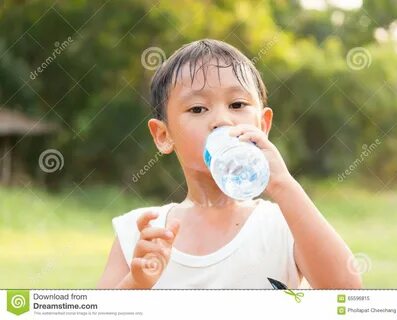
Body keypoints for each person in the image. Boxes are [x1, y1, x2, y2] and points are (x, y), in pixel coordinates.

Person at [97, 39, 362, 289]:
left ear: (263, 125)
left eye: (237, 104)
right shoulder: (142, 232)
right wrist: (136, 283)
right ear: (164, 136)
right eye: (198, 109)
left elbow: (345, 291)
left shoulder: (285, 224)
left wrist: (282, 183)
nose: (222, 120)